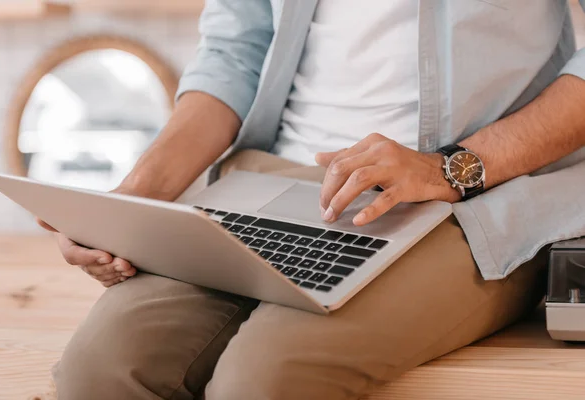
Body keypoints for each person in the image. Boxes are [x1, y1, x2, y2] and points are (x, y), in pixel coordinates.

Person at [44, 1, 585, 399]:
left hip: (466, 197)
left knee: (263, 383)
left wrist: (450, 168)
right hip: (266, 179)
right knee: (96, 375)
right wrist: (137, 197)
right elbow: (236, 50)